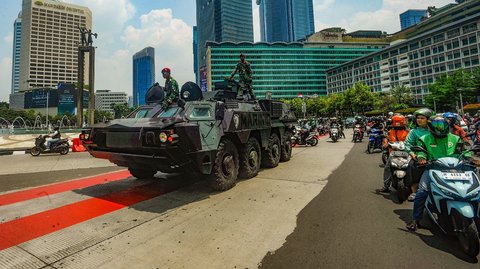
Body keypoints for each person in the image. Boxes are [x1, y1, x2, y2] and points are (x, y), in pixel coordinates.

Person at [406, 116, 480, 231]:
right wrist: (421, 158)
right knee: (422, 191)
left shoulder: (455, 138)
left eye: (442, 126)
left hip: (457, 168)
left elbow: (464, 152)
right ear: (430, 127)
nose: (440, 129)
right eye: (437, 126)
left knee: (476, 190)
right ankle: (416, 219)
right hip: (433, 168)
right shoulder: (424, 138)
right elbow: (421, 152)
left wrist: (472, 159)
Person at [403, 108, 433, 201]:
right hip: (417, 157)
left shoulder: (434, 130)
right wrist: (412, 154)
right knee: (412, 167)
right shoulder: (414, 131)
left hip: (433, 157)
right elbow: (407, 144)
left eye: (422, 118)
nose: (419, 120)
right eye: (418, 118)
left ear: (428, 119)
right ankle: (414, 191)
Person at [376, 114, 409, 193]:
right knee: (388, 168)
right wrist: (385, 143)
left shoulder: (408, 132)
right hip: (393, 153)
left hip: (406, 153)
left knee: (411, 167)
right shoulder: (391, 131)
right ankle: (386, 186)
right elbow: (386, 138)